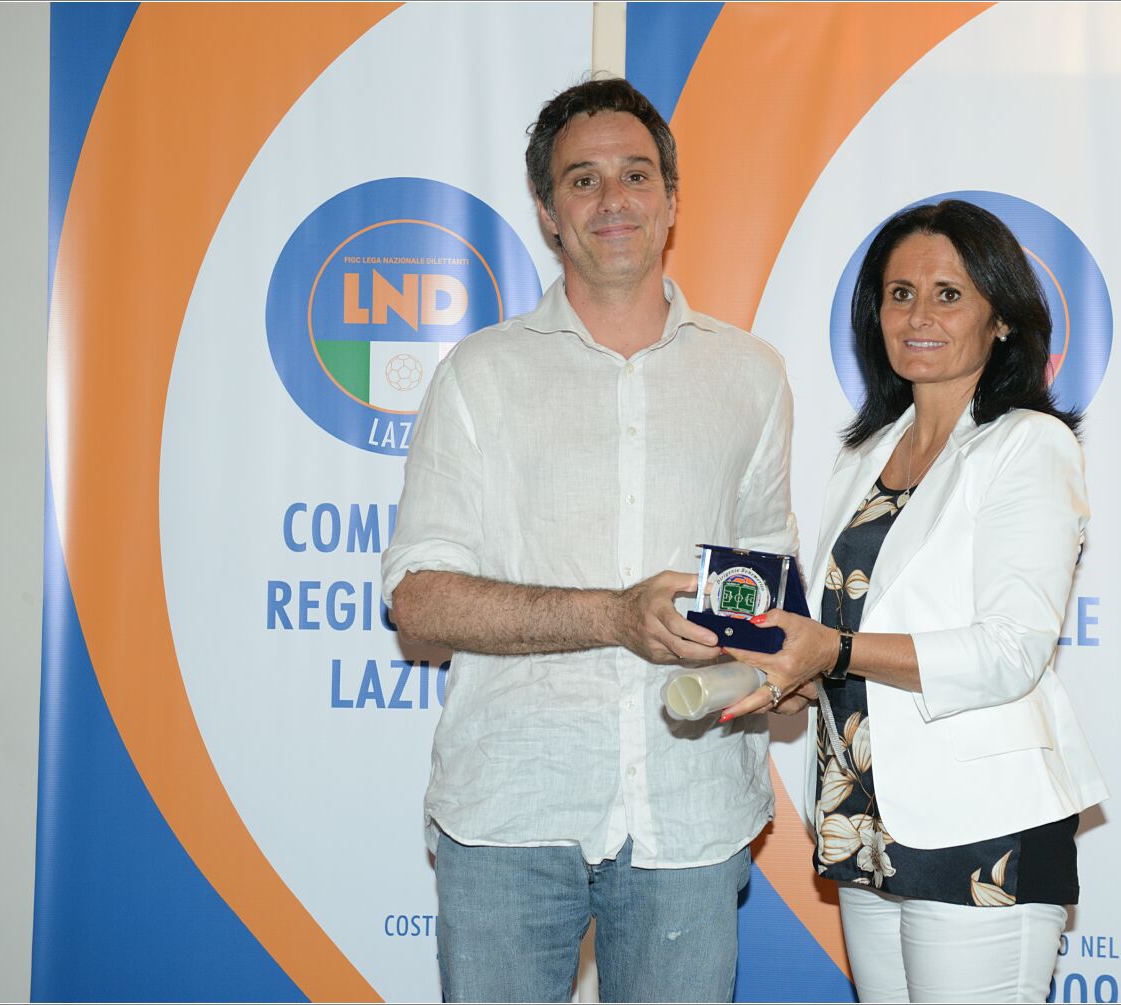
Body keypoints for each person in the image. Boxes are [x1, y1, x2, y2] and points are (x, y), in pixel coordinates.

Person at [379, 78, 797, 1003]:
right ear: (547, 212)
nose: (614, 199)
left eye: (637, 175)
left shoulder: (751, 376)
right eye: (583, 179)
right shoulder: (479, 375)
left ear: (672, 200)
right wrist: (613, 615)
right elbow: (419, 599)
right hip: (511, 806)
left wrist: (779, 657)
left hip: (689, 810)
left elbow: (766, 583)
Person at [719, 200, 1109, 1003]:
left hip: (980, 821)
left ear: (1003, 318)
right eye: (900, 294)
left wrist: (835, 651)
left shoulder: (1028, 444)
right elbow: (852, 628)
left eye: (948, 294)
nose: (918, 315)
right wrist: (802, 671)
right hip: (863, 815)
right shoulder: (866, 451)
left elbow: (1010, 650)